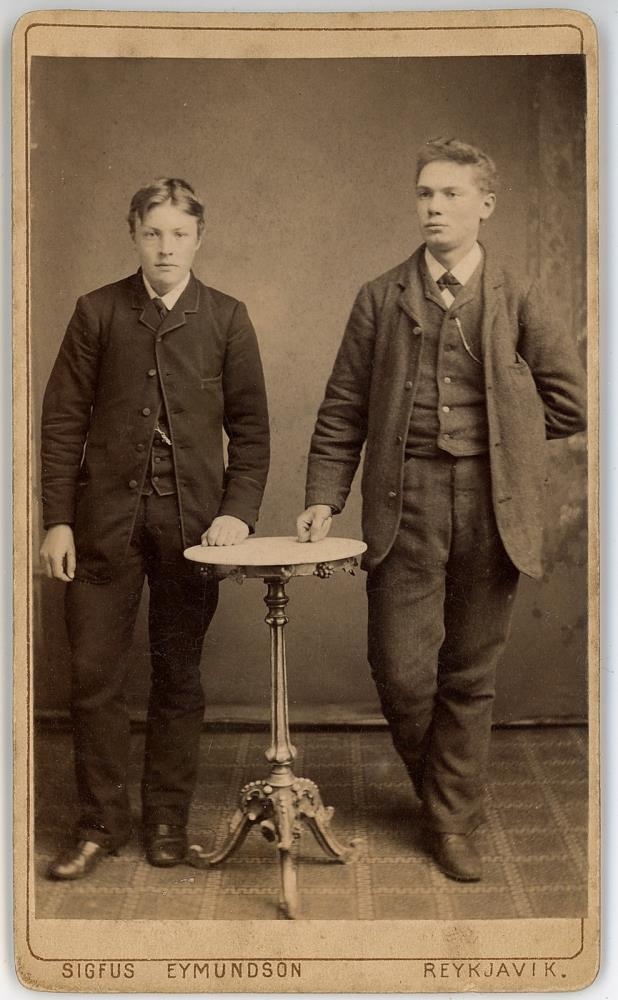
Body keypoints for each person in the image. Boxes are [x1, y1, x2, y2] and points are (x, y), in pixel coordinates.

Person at [297, 138, 586, 882]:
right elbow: (343, 408)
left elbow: (570, 403)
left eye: (451, 194)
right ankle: (449, 797)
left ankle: (450, 821)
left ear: (484, 204)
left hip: (494, 505)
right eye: (425, 193)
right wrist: (324, 497)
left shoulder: (518, 295)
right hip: (406, 502)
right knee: (400, 671)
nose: (434, 206)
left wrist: (505, 435)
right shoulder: (380, 297)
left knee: (469, 671)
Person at [41, 177, 270, 880]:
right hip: (103, 526)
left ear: (199, 238)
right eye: (152, 233)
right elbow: (62, 423)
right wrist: (58, 521)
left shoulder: (226, 317)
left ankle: (167, 818)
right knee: (93, 677)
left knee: (178, 675)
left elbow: (252, 433)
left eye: (179, 234)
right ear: (134, 235)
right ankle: (99, 825)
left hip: (192, 530)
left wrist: (235, 512)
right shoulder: (97, 312)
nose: (166, 247)